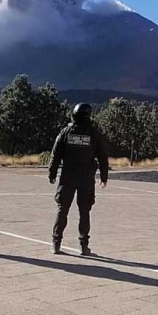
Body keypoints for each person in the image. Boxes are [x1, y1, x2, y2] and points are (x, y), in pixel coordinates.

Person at [48, 103, 109, 256]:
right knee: (84, 212)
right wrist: (103, 176)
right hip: (86, 179)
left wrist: (52, 173)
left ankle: (56, 243)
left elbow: (55, 155)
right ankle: (84, 246)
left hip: (67, 177)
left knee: (62, 210)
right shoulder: (94, 134)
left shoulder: (66, 132)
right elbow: (102, 156)